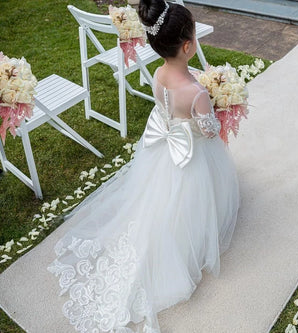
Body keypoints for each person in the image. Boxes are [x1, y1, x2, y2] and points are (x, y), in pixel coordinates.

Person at [46, 1, 240, 332]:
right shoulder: (196, 93)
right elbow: (208, 131)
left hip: (162, 148)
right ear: (189, 45)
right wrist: (220, 106)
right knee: (187, 205)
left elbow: (166, 109)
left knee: (155, 198)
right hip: (189, 154)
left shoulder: (160, 74)